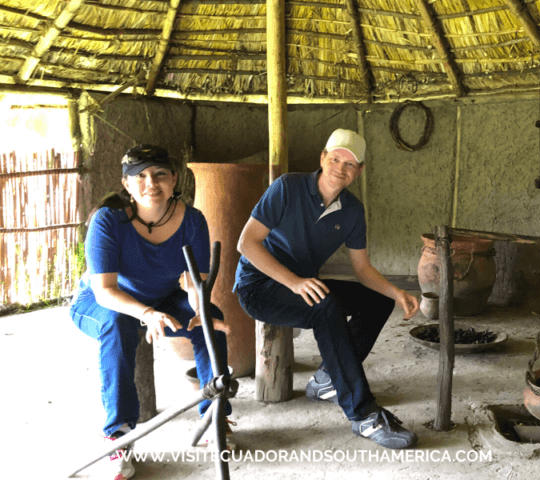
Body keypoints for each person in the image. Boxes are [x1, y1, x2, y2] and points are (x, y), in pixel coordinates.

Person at [235, 129, 420, 449]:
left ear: (359, 171)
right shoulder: (287, 188)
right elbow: (246, 243)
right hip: (259, 287)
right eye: (335, 159)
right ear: (323, 158)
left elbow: (363, 270)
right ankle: (363, 415)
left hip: (304, 286)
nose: (341, 168)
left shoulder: (352, 211)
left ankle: (327, 381)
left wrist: (396, 292)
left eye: (350, 164)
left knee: (376, 302)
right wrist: (294, 281)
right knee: (326, 306)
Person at [70, 145, 233, 480]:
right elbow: (105, 291)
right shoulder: (108, 221)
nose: (151, 183)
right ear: (126, 184)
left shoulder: (192, 220)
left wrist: (200, 308)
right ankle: (118, 435)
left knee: (210, 318)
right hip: (102, 303)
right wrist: (146, 313)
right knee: (118, 326)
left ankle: (215, 416)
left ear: (174, 179)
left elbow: (193, 282)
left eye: (160, 173)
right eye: (139, 176)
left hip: (162, 297)